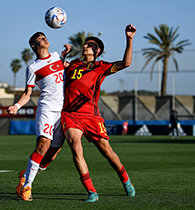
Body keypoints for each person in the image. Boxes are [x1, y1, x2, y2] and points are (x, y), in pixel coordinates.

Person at [61, 24, 137, 202]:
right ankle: (92, 192)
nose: (86, 45)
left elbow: (126, 63)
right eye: (85, 44)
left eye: (90, 44)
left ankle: (126, 181)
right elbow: (55, 70)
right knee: (74, 145)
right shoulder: (72, 64)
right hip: (70, 114)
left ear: (97, 50)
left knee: (107, 152)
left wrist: (129, 39)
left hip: (91, 116)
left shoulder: (101, 66)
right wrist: (62, 56)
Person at [7, 32, 71, 201]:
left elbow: (62, 72)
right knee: (43, 145)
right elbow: (28, 93)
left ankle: (25, 173)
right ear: (34, 46)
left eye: (45, 37)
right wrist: (17, 105)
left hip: (61, 111)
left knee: (53, 152)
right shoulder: (32, 67)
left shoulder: (57, 56)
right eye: (40, 39)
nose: (45, 39)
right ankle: (27, 186)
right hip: (46, 109)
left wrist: (65, 58)